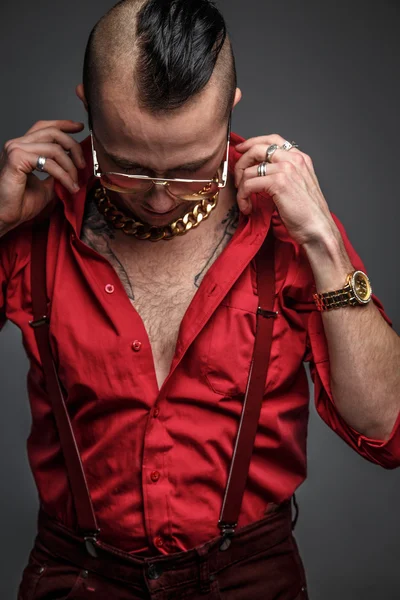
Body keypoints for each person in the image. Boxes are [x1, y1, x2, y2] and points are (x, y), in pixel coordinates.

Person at [1, 0, 399, 598]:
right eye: (129, 167)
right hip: (75, 577)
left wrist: (323, 241)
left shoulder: (289, 225)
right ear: (87, 106)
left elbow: (386, 429)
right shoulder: (35, 215)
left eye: (191, 168)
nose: (161, 198)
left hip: (251, 578)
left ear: (230, 109)